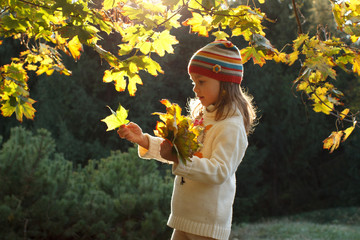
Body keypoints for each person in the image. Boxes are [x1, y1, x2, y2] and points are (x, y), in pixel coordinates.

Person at [117, 40, 257, 240]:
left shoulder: (230, 126)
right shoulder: (203, 118)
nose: (195, 88)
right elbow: (178, 153)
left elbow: (220, 171)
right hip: (185, 217)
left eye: (201, 82)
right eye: (193, 82)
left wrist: (177, 157)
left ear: (225, 84)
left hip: (207, 224)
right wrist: (144, 141)